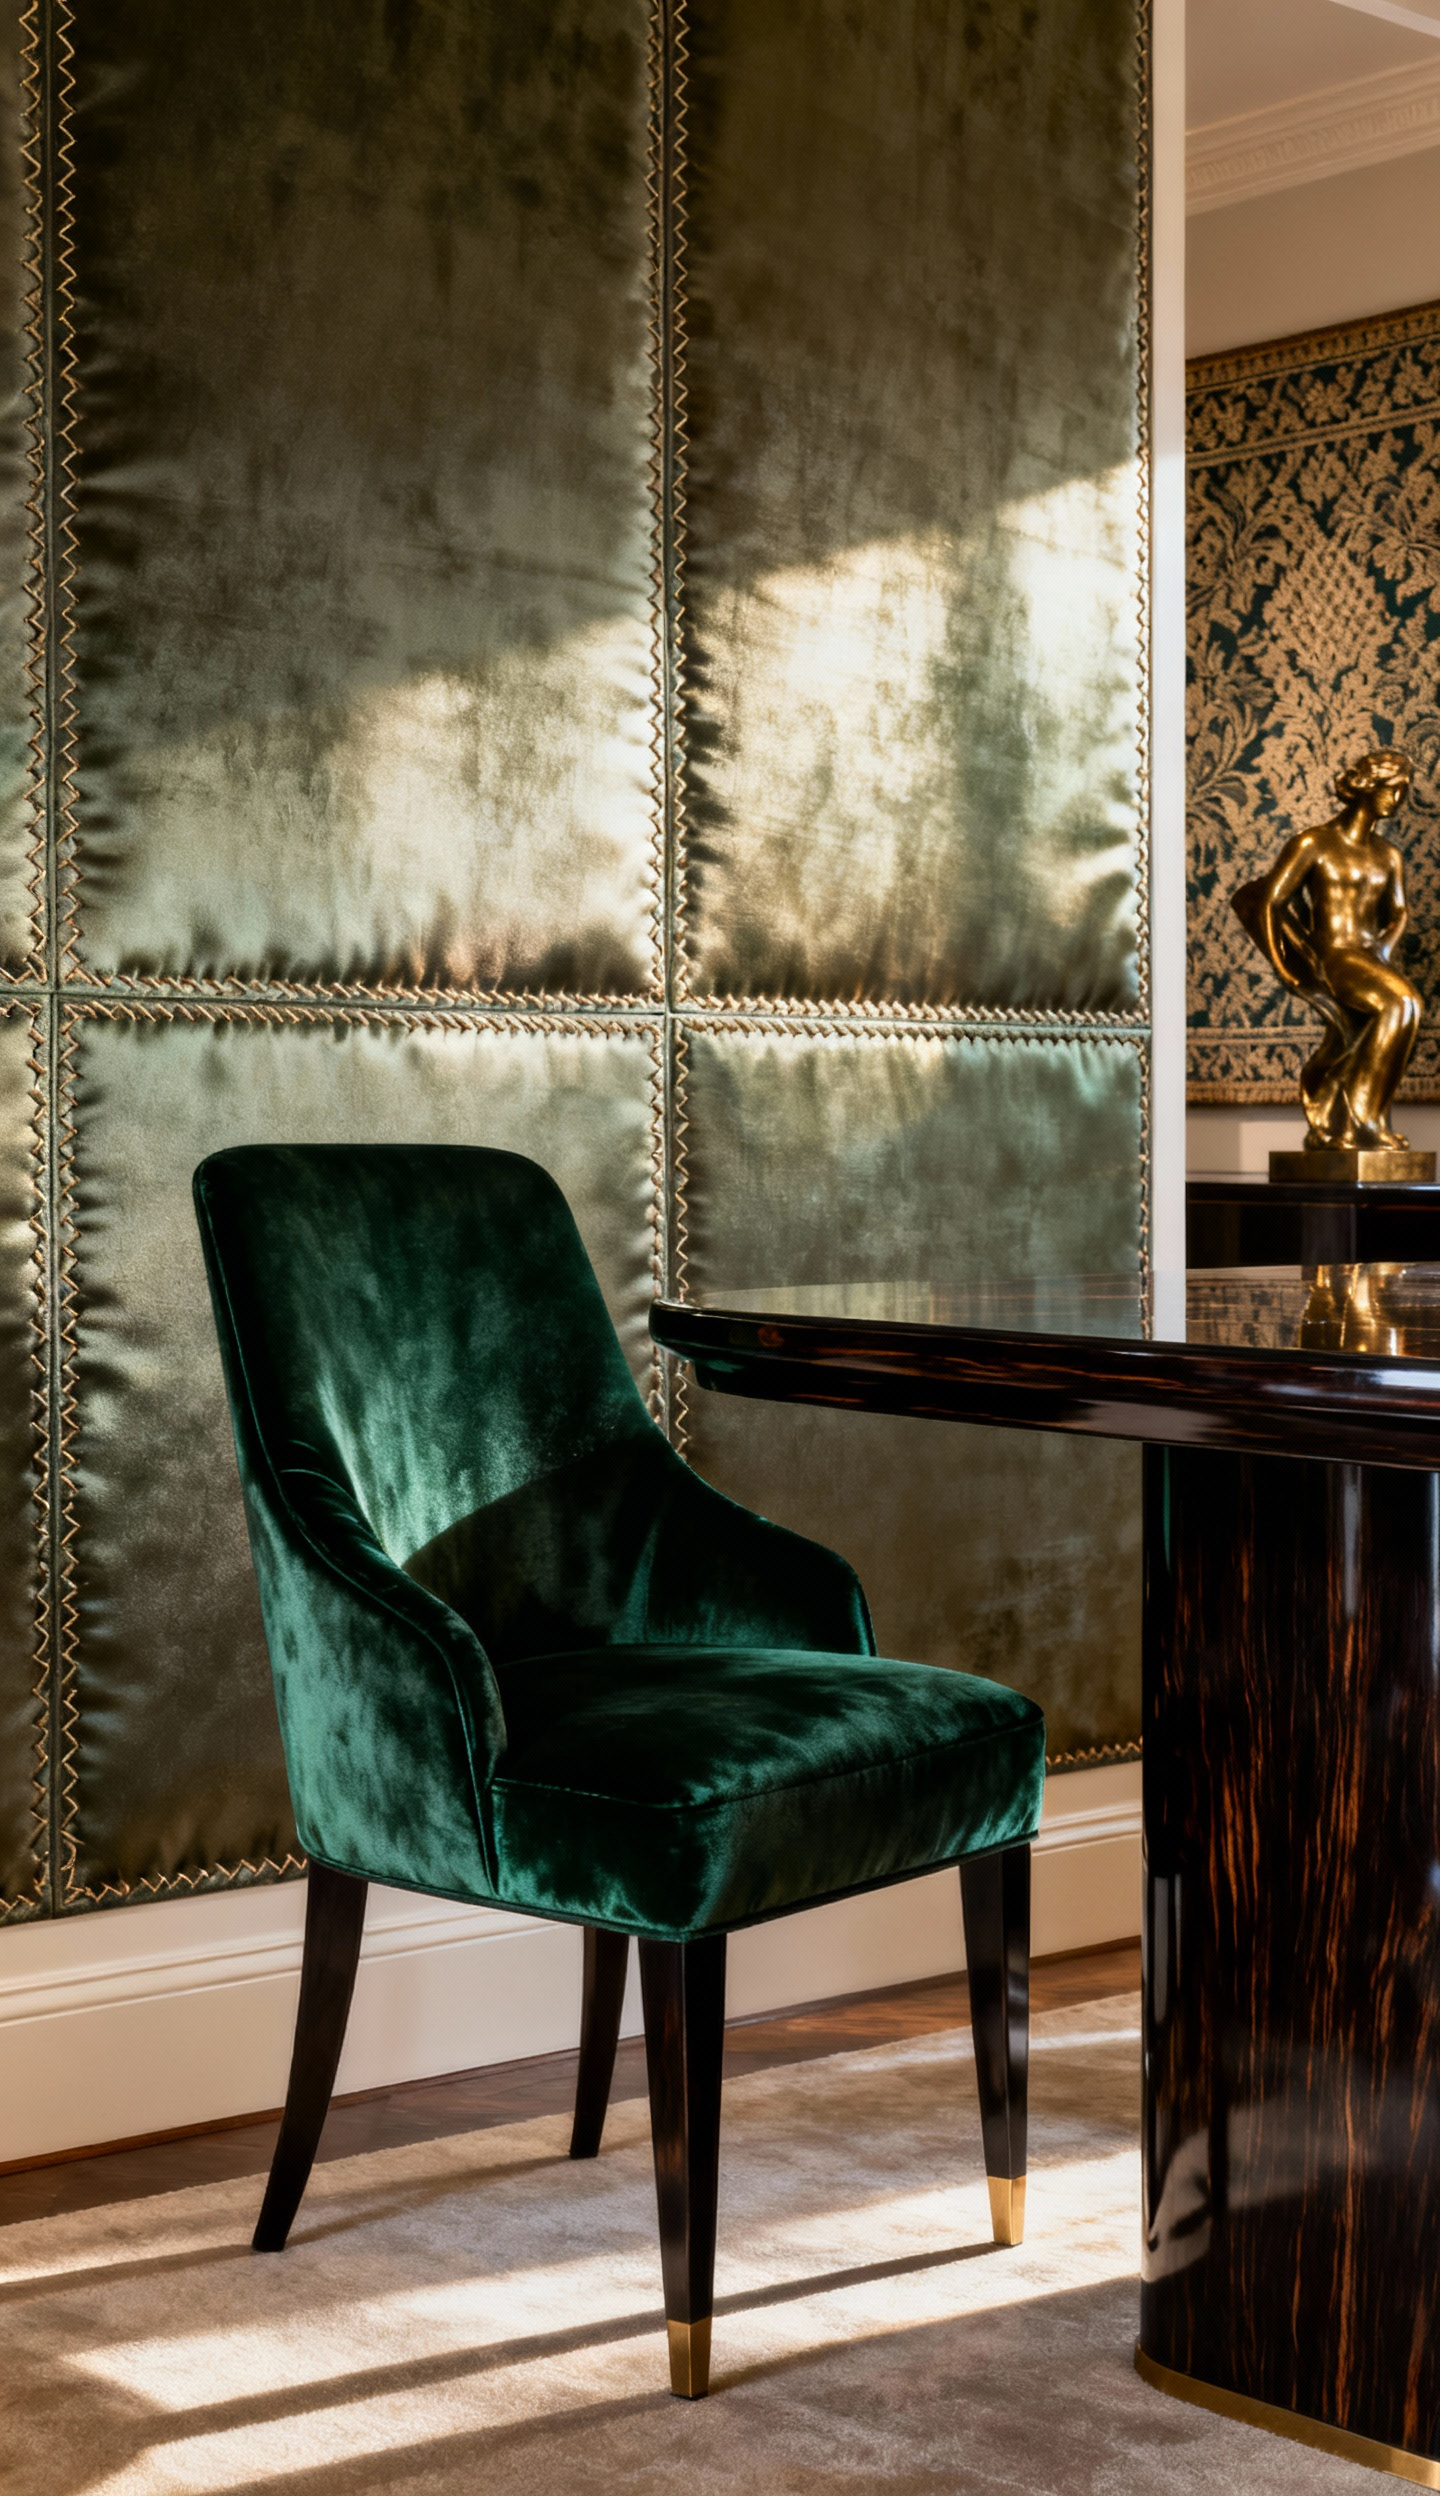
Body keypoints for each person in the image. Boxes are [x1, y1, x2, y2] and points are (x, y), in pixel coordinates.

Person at [1232, 750, 1420, 1152]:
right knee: (1401, 1003)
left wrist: (1384, 948)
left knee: (1406, 1009)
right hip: (1333, 957)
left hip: (1371, 958)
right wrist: (1285, 966)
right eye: (1392, 788)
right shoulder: (1315, 842)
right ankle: (1365, 1120)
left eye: (1403, 790)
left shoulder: (1389, 855)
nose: (1398, 798)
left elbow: (1400, 913)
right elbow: (1270, 901)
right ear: (1369, 787)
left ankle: (1352, 1116)